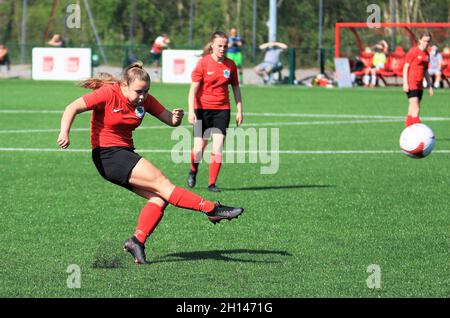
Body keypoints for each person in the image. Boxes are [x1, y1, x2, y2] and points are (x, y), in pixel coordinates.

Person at [56, 62, 244, 265]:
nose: (142, 96)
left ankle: (136, 241)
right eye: (138, 91)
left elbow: (170, 121)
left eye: (146, 91)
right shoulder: (109, 93)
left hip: (123, 153)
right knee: (162, 183)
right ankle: (211, 209)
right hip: (107, 155)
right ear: (124, 85)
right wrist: (64, 132)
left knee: (159, 198)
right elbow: (72, 107)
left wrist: (176, 117)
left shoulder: (144, 100)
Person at [187, 31, 243, 193]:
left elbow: (236, 88)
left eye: (225, 46)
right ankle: (193, 171)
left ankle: (212, 183)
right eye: (219, 45)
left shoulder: (230, 65)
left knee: (217, 148)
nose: (223, 48)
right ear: (212, 45)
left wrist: (240, 110)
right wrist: (191, 111)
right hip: (202, 110)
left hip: (222, 110)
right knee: (198, 149)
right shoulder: (203, 64)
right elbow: (193, 90)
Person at [403, 32, 433, 127]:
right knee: (416, 109)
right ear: (420, 40)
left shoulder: (427, 54)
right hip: (412, 83)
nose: (426, 43)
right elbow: (405, 67)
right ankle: (418, 131)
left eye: (428, 41)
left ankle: (408, 129)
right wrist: (405, 83)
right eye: (424, 41)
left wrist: (430, 85)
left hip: (420, 84)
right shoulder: (413, 51)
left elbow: (425, 71)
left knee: (412, 109)